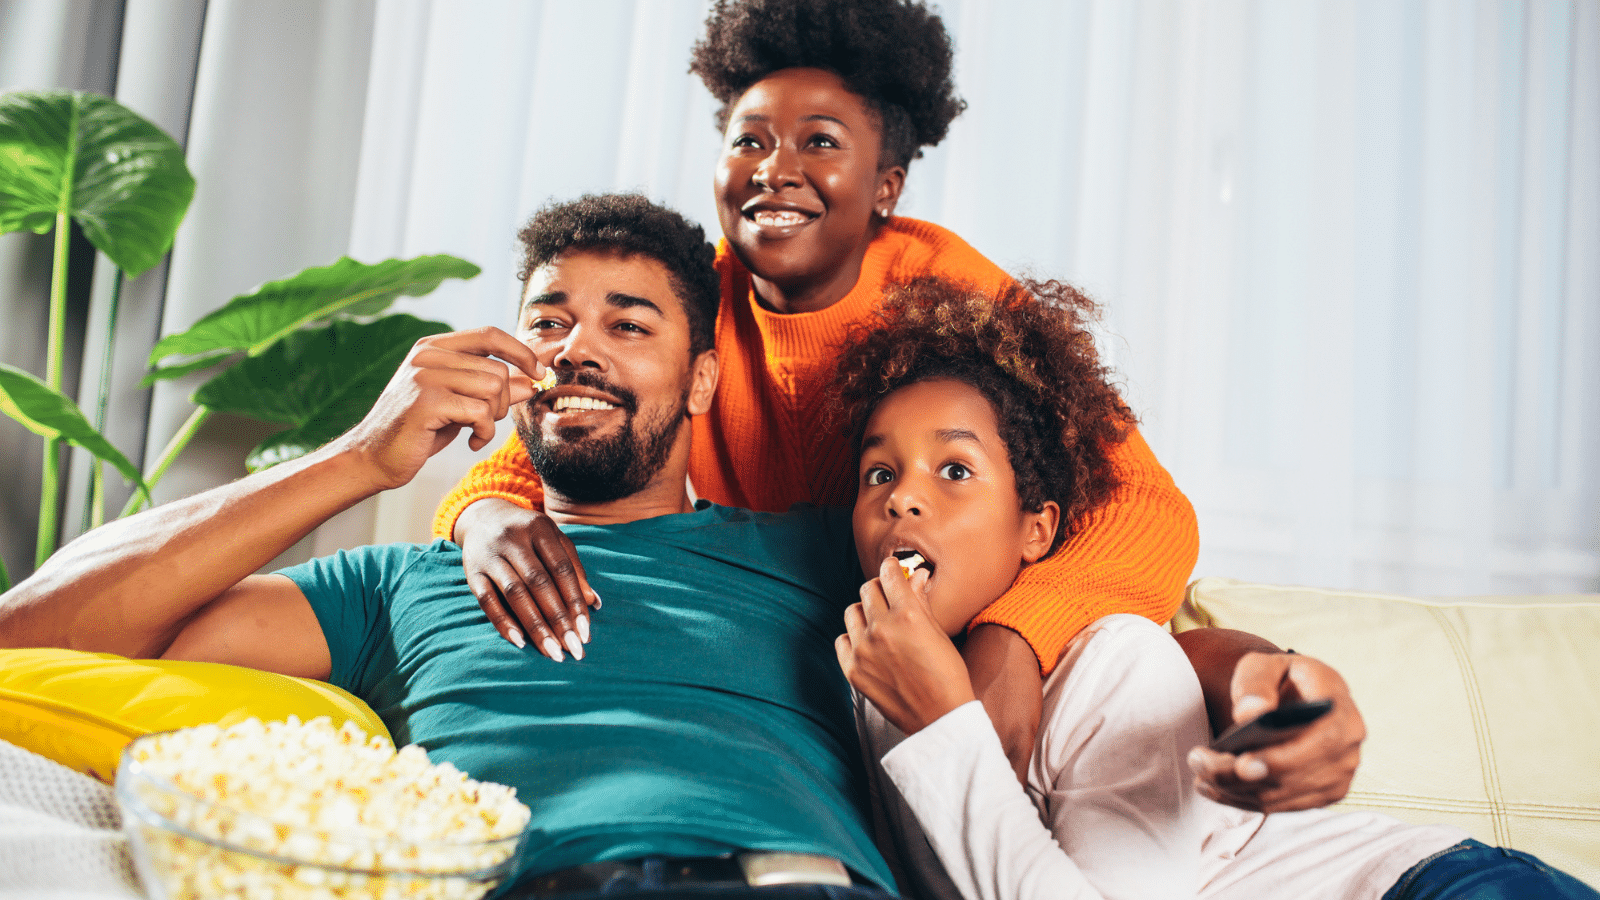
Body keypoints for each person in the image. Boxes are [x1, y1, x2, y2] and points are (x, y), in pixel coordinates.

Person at [430, 0, 1355, 810]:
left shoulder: (950, 294)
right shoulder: (690, 306)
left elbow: (1144, 505)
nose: (775, 168)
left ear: (887, 186)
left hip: (951, 642)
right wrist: (484, 517)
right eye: (748, 139)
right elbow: (559, 433)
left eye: (821, 142)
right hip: (812, 671)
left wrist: (1014, 638)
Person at [0, 195, 899, 898]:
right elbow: (28, 635)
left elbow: (1012, 511)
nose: (575, 350)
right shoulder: (396, 588)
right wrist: (360, 459)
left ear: (702, 380)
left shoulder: (816, 552)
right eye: (548, 322)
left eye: (629, 326)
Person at [831, 276, 1600, 900]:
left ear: (1036, 529)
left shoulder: (1114, 666)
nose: (902, 498)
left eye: (955, 470)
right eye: (879, 473)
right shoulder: (867, 681)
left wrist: (945, 725)